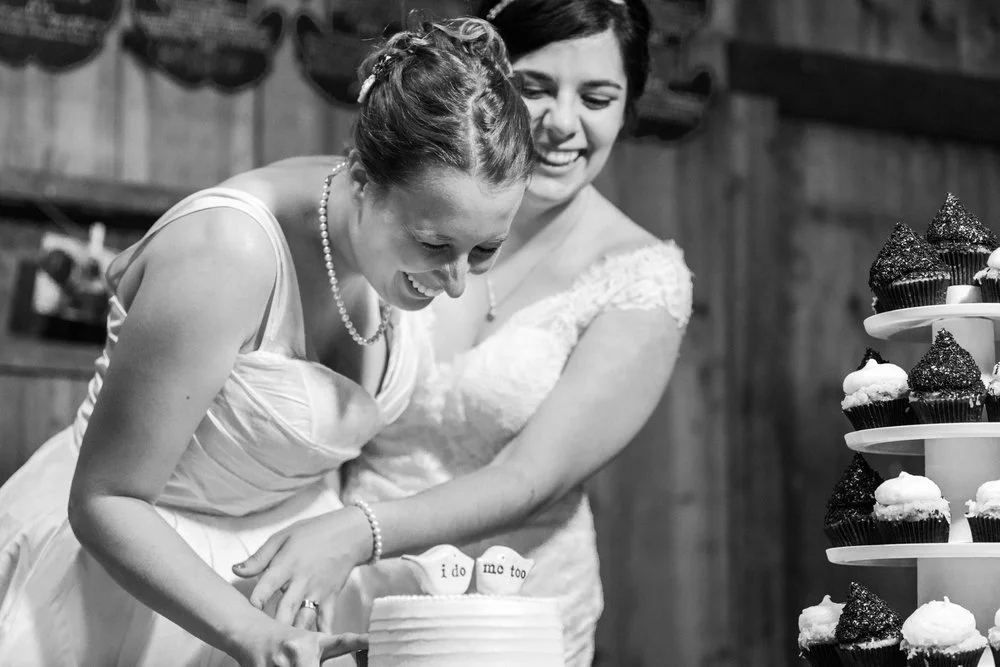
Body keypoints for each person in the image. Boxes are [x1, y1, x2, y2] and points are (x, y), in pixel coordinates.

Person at [0, 16, 533, 667]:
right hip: (127, 588)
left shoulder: (400, 231)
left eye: (484, 249)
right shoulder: (228, 249)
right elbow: (104, 500)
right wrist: (253, 634)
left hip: (281, 592)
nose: (455, 282)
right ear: (361, 179)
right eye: (433, 245)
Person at [234, 1, 692, 664]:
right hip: (341, 582)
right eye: (535, 87)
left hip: (505, 605)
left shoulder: (643, 277)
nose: (563, 123)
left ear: (628, 107)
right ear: (491, 86)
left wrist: (357, 533)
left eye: (597, 97)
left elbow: (530, 477)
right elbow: (273, 216)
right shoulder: (397, 208)